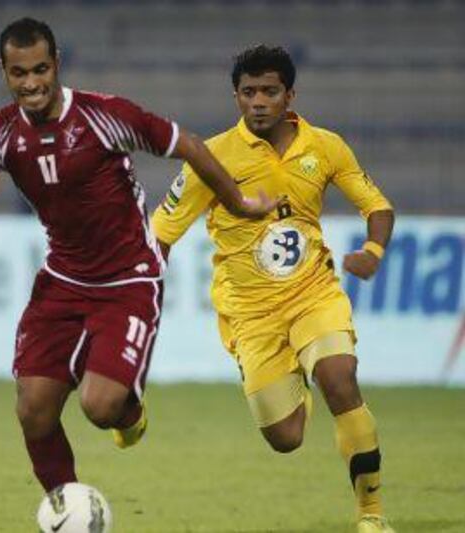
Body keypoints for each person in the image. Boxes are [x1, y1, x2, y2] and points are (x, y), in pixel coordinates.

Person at [0, 18, 278, 496]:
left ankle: (130, 412)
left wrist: (238, 202)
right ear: (4, 72)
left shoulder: (103, 115)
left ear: (56, 64)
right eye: (19, 73)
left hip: (128, 280)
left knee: (100, 408)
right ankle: (67, 511)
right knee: (32, 410)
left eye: (41, 69)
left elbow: (187, 145)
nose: (32, 83)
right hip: (62, 279)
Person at [152, 45, 395, 532]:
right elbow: (160, 233)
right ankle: (293, 380)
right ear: (236, 97)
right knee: (285, 437)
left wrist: (372, 253)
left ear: (290, 95)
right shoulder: (213, 156)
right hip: (251, 313)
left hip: (313, 294)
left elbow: (377, 205)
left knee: (340, 378)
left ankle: (371, 516)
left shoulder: (325, 146)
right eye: (248, 92)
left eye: (269, 91)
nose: (258, 101)